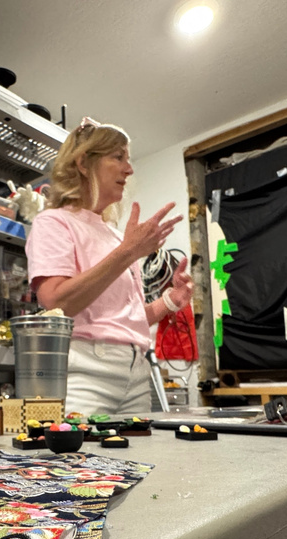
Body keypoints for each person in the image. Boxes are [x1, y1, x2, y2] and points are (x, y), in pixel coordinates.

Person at [25, 117, 193, 415]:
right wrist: (128, 252)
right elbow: (55, 302)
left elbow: (125, 319)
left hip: (136, 372)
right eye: (118, 157)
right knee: (79, 461)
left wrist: (169, 301)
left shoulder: (116, 236)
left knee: (140, 460)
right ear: (83, 163)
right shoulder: (54, 222)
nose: (129, 169)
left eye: (128, 159)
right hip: (85, 373)